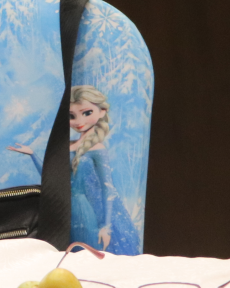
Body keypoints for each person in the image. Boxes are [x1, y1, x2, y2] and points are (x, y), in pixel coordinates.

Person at [7, 84, 141, 254]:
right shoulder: (67, 146)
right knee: (64, 253)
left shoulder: (97, 149)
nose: (79, 121)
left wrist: (106, 226)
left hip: (84, 209)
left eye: (87, 113)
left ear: (102, 112)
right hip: (62, 209)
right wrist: (33, 154)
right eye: (71, 116)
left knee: (86, 251)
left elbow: (107, 188)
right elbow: (52, 179)